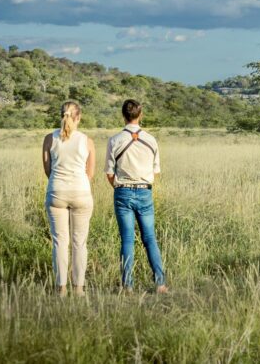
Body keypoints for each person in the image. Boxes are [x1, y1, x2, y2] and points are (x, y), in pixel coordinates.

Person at [104, 99, 168, 294]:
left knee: (127, 240)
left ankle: (128, 286)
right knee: (150, 238)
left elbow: (109, 172)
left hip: (122, 191)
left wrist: (118, 185)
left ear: (123, 115)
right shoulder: (151, 140)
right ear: (140, 115)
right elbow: (156, 171)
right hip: (144, 191)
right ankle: (160, 284)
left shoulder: (114, 140)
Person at [41, 101, 95, 297]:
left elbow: (48, 169)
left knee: (59, 242)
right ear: (78, 117)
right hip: (81, 192)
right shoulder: (87, 141)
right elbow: (90, 173)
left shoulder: (49, 139)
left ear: (61, 116)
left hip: (57, 192)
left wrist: (60, 184)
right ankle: (79, 288)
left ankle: (61, 288)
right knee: (79, 242)